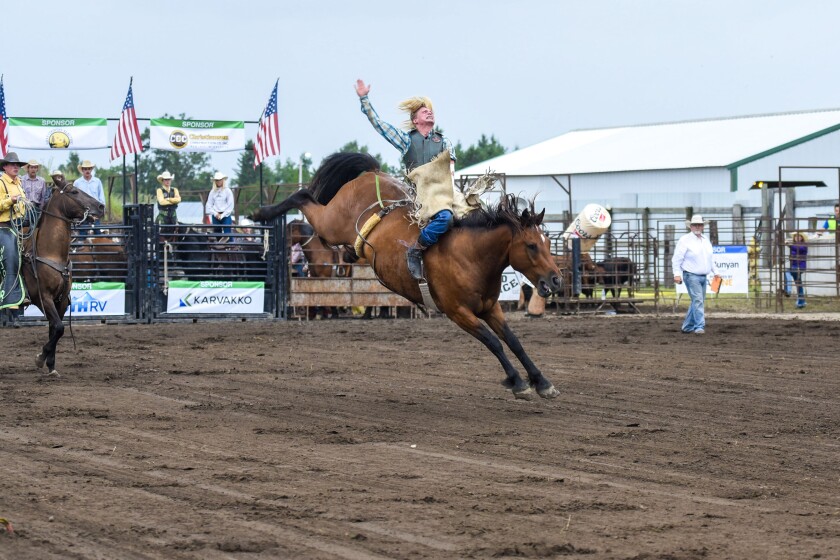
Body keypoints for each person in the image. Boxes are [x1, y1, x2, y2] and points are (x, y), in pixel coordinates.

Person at [355, 79, 457, 280]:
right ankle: (417, 248)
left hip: (444, 192)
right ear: (415, 119)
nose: (429, 111)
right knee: (445, 218)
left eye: (430, 109)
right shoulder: (406, 140)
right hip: (421, 196)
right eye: (423, 110)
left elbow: (452, 170)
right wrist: (364, 99)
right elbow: (379, 124)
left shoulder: (444, 141)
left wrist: (454, 194)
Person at [672, 215, 721, 335]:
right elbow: (677, 258)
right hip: (691, 275)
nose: (698, 227)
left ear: (703, 226)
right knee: (698, 300)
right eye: (695, 225)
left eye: (700, 225)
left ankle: (687, 327)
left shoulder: (705, 239)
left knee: (697, 301)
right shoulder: (685, 240)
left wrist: (717, 272)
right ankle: (699, 326)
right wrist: (676, 274)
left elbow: (711, 258)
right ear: (691, 226)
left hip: (703, 276)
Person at [0, 152, 29, 326]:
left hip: (20, 225)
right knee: (11, 259)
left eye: (17, 164)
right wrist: (11, 199)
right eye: (12, 164)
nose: (16, 167)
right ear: (4, 167)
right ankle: (11, 308)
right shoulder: (1, 183)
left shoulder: (20, 183)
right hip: (3, 226)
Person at [73, 160, 105, 233]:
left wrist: (101, 210)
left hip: (95, 211)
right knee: (82, 234)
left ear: (91, 169)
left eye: (89, 168)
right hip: (82, 212)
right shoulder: (77, 183)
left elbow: (101, 197)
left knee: (97, 233)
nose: (87, 171)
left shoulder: (97, 181)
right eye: (85, 169)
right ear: (82, 170)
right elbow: (74, 198)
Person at [205, 171, 233, 236]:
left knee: (227, 233)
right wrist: (215, 214)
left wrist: (222, 215)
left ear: (223, 180)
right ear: (215, 181)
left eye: (220, 180)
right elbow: (209, 204)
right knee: (217, 233)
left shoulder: (227, 191)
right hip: (216, 215)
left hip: (226, 215)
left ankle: (230, 245)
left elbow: (230, 205)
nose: (218, 182)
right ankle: (219, 245)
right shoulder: (212, 192)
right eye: (217, 180)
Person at [787, 232, 808, 309]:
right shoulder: (794, 245)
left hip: (800, 267)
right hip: (794, 266)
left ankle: (788, 290)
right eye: (796, 236)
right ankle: (801, 303)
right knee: (798, 284)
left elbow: (799, 248)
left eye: (799, 236)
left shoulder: (804, 245)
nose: (797, 237)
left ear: (802, 238)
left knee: (787, 272)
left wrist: (790, 245)